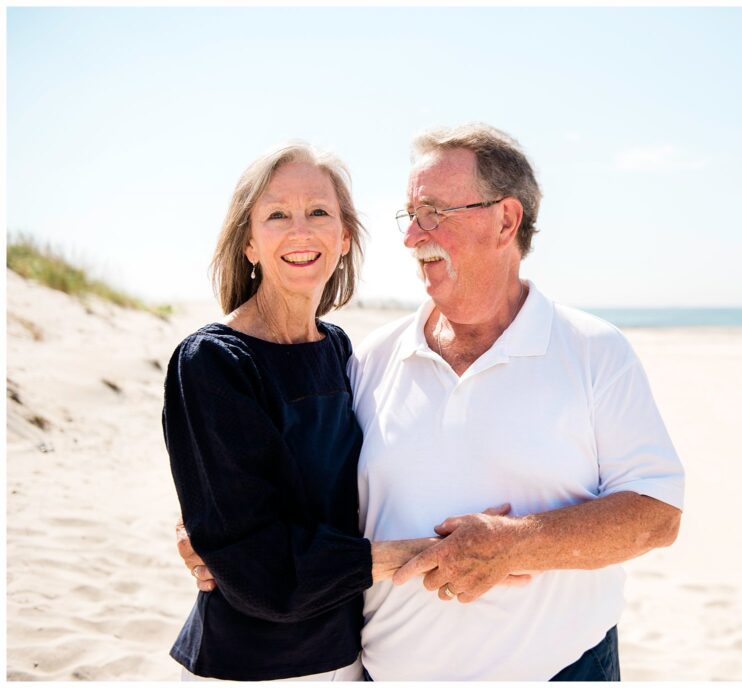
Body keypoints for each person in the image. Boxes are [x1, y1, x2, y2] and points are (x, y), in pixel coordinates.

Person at [180, 124, 686, 681]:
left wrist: (515, 545)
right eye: (410, 215)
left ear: (506, 220)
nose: (413, 235)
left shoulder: (594, 350)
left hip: (561, 670)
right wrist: (212, 531)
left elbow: (655, 515)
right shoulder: (370, 357)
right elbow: (286, 473)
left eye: (434, 212)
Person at [163, 143, 441, 681]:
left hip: (349, 652)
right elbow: (258, 561)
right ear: (248, 243)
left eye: (319, 212)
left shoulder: (337, 350)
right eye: (276, 215)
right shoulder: (214, 361)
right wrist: (421, 554)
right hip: (253, 664)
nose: (300, 230)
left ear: (344, 238)